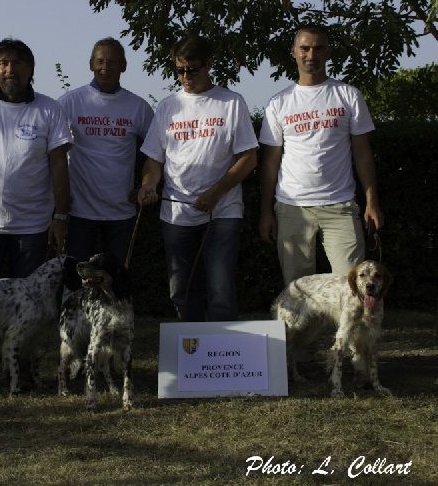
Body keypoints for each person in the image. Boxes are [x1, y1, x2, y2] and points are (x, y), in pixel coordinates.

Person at [0, 37, 73, 389]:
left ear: (31, 70)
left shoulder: (49, 110)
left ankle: (22, 375)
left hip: (33, 228)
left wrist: (60, 218)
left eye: (18, 63)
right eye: (3, 63)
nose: (10, 69)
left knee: (31, 313)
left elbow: (59, 168)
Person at [137, 35, 258, 322]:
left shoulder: (231, 102)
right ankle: (192, 354)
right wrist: (148, 185)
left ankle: (223, 355)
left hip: (223, 211)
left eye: (193, 69)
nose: (186, 76)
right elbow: (154, 158)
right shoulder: (168, 106)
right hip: (176, 214)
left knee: (220, 288)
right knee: (181, 288)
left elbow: (249, 158)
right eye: (180, 70)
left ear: (209, 65)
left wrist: (215, 193)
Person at [258, 23, 383, 287]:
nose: (310, 55)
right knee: (298, 294)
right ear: (293, 52)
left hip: (341, 207)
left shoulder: (348, 95)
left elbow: (362, 152)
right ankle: (302, 332)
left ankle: (348, 332)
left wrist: (372, 201)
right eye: (304, 48)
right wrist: (266, 211)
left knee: (353, 289)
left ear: (328, 52)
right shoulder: (279, 103)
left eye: (318, 48)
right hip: (292, 208)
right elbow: (270, 163)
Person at [57, 37, 154, 267]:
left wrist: (145, 185)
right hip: (79, 210)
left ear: (124, 66)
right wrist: (57, 195)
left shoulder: (138, 107)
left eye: (112, 62)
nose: (105, 67)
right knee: (75, 283)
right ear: (91, 64)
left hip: (121, 212)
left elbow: (157, 151)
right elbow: (50, 151)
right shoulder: (70, 102)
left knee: (116, 283)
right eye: (100, 61)